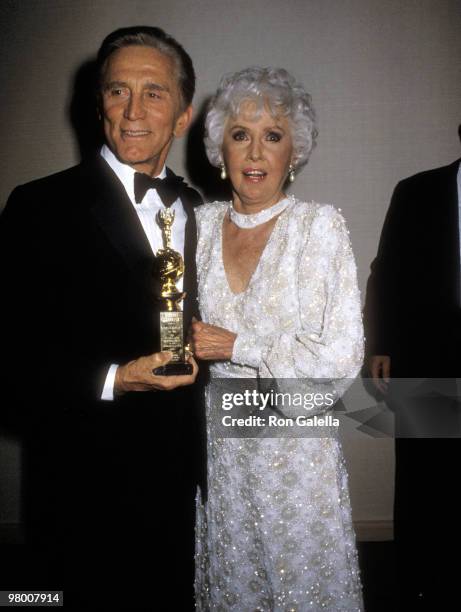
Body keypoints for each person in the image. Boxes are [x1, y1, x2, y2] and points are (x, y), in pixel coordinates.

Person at [0, 26, 204, 609]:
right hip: (83, 492)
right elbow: (9, 363)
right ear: (98, 106)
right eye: (118, 91)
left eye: (154, 93)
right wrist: (117, 379)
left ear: (183, 114)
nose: (134, 110)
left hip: (184, 491)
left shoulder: (201, 211)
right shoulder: (38, 207)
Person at [190, 67, 364, 611]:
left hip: (296, 456)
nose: (256, 152)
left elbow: (338, 360)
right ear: (221, 150)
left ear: (295, 153)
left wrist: (237, 345)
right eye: (241, 135)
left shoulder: (319, 227)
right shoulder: (195, 226)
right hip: (220, 452)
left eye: (273, 136)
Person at [364, 153, 461, 609]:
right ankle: (418, 585)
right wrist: (381, 340)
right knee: (425, 478)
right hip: (430, 353)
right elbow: (387, 270)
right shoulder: (417, 190)